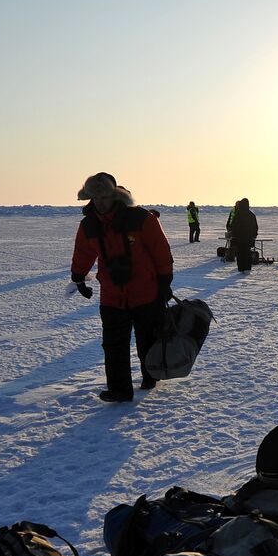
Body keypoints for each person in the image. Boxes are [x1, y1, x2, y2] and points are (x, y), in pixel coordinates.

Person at [69, 172, 174, 403]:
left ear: (115, 195)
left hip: (145, 291)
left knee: (147, 338)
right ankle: (119, 390)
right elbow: (83, 253)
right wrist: (78, 278)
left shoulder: (141, 218)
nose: (100, 203)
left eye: (105, 197)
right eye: (95, 199)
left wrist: (165, 280)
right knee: (114, 344)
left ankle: (150, 376)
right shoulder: (88, 225)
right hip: (112, 295)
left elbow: (160, 250)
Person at [231, 198, 258, 272]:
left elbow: (234, 226)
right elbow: (255, 227)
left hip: (239, 239)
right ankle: (247, 268)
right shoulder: (251, 215)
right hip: (249, 239)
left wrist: (233, 236)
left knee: (240, 254)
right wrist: (254, 236)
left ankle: (241, 268)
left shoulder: (238, 215)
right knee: (247, 253)